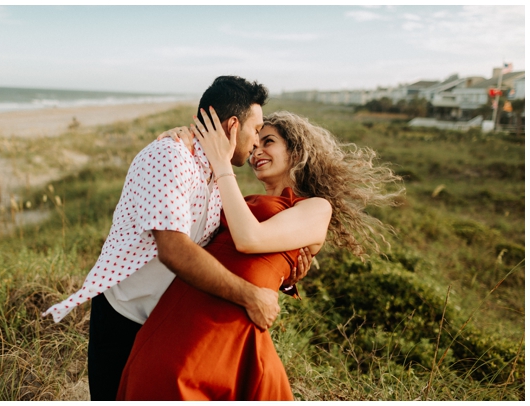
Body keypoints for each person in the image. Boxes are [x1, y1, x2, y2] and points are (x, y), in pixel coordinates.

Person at [41, 76, 315, 401]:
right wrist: (250, 296)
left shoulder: (217, 176)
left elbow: (231, 248)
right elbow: (173, 250)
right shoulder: (171, 157)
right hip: (125, 317)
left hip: (169, 324)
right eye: (256, 131)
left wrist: (285, 272)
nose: (256, 143)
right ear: (231, 125)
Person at [117, 108, 401, 400]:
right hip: (183, 303)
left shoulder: (317, 207)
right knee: (154, 374)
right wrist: (184, 139)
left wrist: (222, 163)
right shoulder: (243, 200)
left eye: (269, 142)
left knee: (189, 378)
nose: (256, 151)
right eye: (256, 142)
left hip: (228, 318)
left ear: (297, 150)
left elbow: (249, 239)